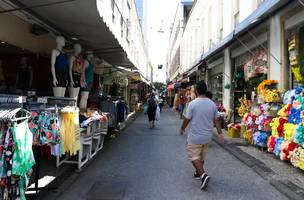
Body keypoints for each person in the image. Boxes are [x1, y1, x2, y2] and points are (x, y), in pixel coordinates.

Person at [180, 81, 224, 190]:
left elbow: (187, 119)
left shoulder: (193, 104)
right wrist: (220, 133)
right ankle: (197, 172)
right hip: (207, 136)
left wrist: (182, 128)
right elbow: (217, 120)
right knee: (201, 155)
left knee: (194, 155)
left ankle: (203, 175)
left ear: (196, 91)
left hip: (195, 136)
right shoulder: (212, 104)